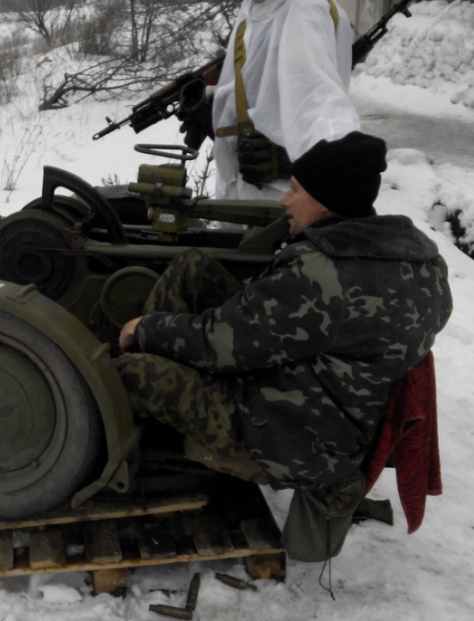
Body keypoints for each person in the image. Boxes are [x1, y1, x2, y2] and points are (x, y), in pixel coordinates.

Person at [115, 132, 452, 531]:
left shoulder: (323, 273)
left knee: (127, 375)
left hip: (284, 439)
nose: (284, 201)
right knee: (193, 269)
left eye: (295, 190)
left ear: (326, 201)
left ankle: (122, 453)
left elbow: (222, 343)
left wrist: (145, 329)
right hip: (321, 408)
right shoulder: (420, 262)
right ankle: (158, 422)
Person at [181, 0, 361, 201]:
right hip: (248, 187)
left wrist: (327, 191)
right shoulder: (255, 8)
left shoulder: (303, 12)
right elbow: (259, 83)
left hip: (283, 197)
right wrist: (217, 108)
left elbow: (320, 106)